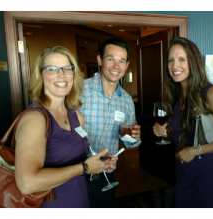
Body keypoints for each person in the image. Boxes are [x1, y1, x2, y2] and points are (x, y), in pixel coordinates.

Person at [14, 46, 118, 208]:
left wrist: (98, 162)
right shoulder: (35, 118)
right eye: (52, 69)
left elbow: (73, 158)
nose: (61, 75)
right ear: (40, 75)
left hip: (81, 201)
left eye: (67, 69)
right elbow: (27, 183)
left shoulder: (77, 117)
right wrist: (83, 168)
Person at [153, 37, 213, 208]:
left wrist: (196, 151)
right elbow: (186, 134)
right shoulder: (174, 96)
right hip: (184, 170)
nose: (174, 66)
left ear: (193, 62)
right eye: (171, 60)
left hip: (208, 172)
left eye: (181, 59)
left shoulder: (210, 93)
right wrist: (166, 132)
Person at [79, 38, 141, 208]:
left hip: (107, 176)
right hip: (76, 176)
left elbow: (127, 143)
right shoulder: (79, 91)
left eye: (122, 61)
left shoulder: (127, 101)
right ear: (99, 60)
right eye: (110, 59)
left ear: (127, 65)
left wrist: (134, 138)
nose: (116, 66)